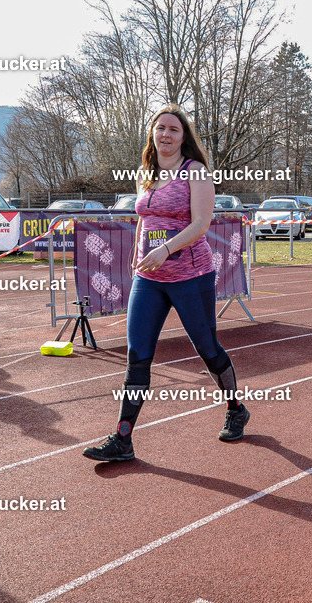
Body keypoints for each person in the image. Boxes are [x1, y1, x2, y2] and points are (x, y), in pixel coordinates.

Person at [84, 106, 249, 462]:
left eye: (174, 129)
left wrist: (165, 249)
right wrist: (136, 252)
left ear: (183, 136)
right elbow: (145, 217)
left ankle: (236, 408)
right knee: (137, 355)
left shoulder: (197, 172)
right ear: (152, 134)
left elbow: (202, 224)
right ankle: (123, 438)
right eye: (161, 129)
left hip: (192, 276)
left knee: (207, 348)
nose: (166, 135)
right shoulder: (148, 173)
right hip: (149, 279)